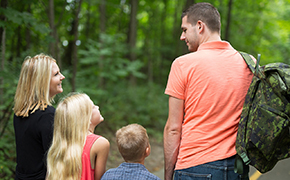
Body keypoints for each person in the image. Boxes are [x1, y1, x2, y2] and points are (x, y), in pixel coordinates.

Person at [163, 2, 254, 180]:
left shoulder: (182, 64)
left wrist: (168, 175)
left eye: (184, 30)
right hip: (238, 167)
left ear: (199, 26)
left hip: (195, 166)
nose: (182, 37)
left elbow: (173, 129)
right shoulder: (249, 62)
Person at [13, 54, 65, 180]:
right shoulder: (47, 115)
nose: (62, 77)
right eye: (56, 74)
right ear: (43, 81)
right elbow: (55, 164)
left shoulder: (20, 112)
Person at [46, 93, 110, 180]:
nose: (98, 107)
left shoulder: (60, 143)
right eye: (94, 106)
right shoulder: (100, 143)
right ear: (86, 117)